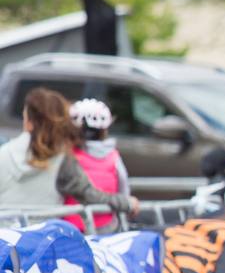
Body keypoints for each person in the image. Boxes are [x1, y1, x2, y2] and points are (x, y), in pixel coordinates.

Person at [0, 88, 137, 220]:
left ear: (28, 122)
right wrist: (127, 203)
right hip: (43, 238)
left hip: (6, 235)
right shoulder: (61, 158)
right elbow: (90, 196)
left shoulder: (4, 153)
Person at [62, 98, 132, 233]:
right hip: (107, 228)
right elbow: (124, 189)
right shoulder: (114, 157)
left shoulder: (69, 155)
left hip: (72, 228)